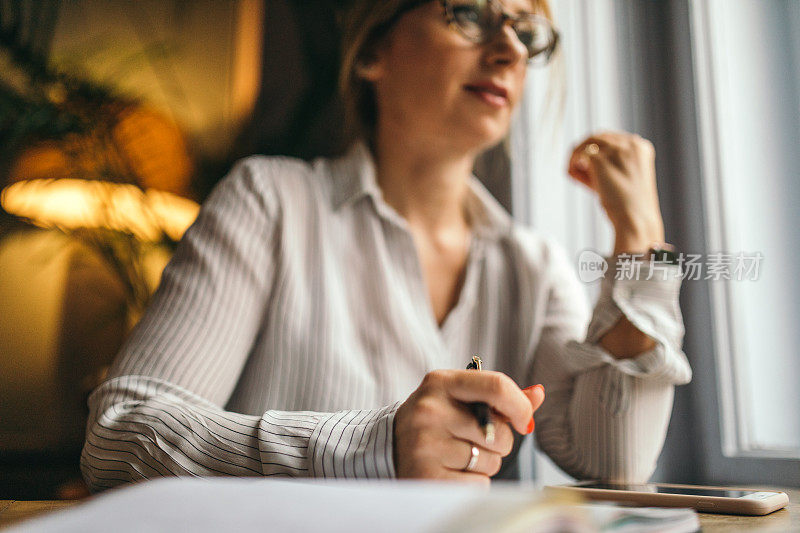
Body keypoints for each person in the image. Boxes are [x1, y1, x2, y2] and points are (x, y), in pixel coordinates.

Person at [80, 0, 691, 491]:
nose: (508, 50)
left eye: (525, 31)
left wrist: (640, 240)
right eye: (470, 14)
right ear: (373, 50)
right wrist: (372, 446)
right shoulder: (270, 201)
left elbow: (615, 462)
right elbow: (117, 436)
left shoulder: (533, 266)